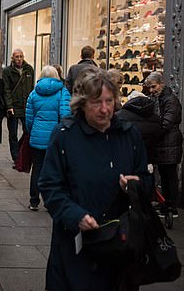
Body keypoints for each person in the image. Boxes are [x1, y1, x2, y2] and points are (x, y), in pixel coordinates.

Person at [38, 67, 150, 290]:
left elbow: (146, 180)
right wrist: (75, 215)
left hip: (118, 246)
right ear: (82, 103)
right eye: (96, 102)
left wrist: (134, 186)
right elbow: (50, 186)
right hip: (75, 248)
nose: (104, 109)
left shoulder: (130, 135)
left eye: (109, 101)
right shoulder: (64, 136)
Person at [25, 66, 71, 211]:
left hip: (38, 136)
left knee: (37, 168)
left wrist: (32, 131)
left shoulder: (34, 93)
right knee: (55, 169)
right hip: (55, 138)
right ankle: (50, 200)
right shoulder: (63, 92)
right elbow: (65, 115)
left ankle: (34, 200)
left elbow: (29, 118)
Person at [144, 71, 183, 218]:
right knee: (165, 175)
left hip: (169, 142)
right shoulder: (159, 99)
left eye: (154, 87)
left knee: (169, 175)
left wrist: (153, 132)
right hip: (164, 143)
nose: (152, 90)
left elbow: (167, 122)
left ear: (161, 84)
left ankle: (171, 207)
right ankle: (167, 204)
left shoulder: (170, 100)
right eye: (150, 88)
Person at [3, 49, 35, 165]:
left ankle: (20, 151)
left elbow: (32, 88)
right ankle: (16, 157)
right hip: (14, 106)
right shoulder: (7, 71)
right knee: (13, 133)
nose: (19, 59)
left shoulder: (29, 69)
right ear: (12, 58)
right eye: (17, 57)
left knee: (27, 131)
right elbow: (6, 89)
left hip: (26, 106)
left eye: (21, 56)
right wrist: (9, 106)